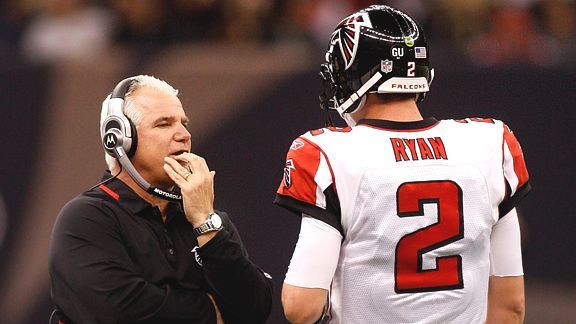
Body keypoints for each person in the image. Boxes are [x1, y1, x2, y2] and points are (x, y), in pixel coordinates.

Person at [274, 5, 530, 324]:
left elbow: (302, 306)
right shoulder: (490, 144)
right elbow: (511, 306)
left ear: (357, 76)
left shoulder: (328, 153)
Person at [49, 75, 273, 324]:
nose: (184, 134)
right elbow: (119, 312)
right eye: (164, 124)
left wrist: (205, 222)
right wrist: (212, 313)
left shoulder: (208, 220)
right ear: (120, 138)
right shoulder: (86, 218)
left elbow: (255, 310)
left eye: (184, 123)